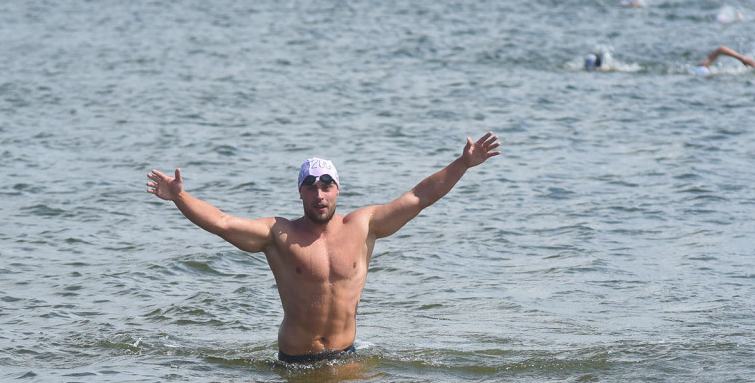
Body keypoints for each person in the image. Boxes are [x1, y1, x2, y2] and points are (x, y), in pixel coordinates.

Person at [146, 132, 501, 364]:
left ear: (337, 190)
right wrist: (180, 197)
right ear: (300, 192)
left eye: (326, 186)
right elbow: (221, 222)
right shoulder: (277, 234)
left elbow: (419, 196)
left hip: (346, 357)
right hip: (293, 363)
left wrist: (463, 164)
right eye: (311, 187)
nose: (319, 194)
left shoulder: (364, 226)